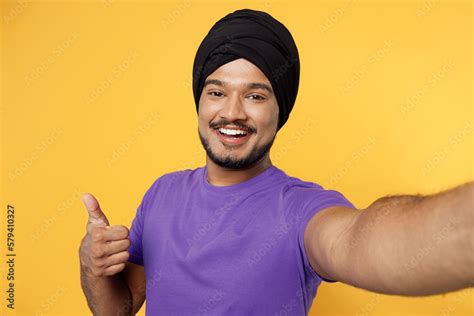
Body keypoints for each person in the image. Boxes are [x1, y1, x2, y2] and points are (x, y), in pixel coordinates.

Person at [78, 8, 474, 315]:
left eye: (255, 96)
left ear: (280, 110)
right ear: (200, 100)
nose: (232, 112)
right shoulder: (161, 194)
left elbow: (364, 242)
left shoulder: (301, 210)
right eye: (216, 92)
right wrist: (94, 268)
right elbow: (120, 307)